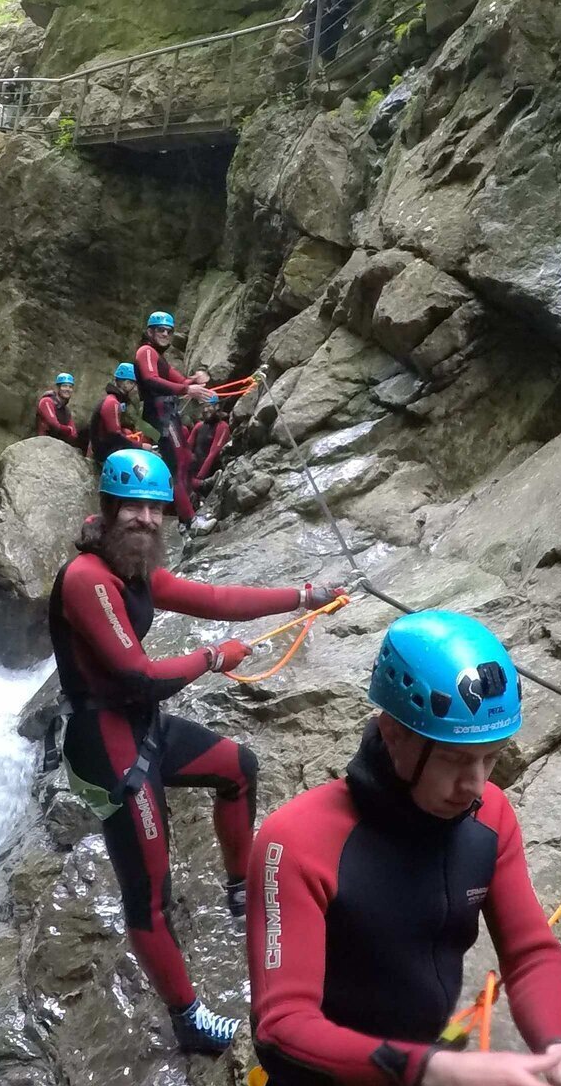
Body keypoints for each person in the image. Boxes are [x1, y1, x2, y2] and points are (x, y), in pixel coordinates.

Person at [246, 610, 561, 1086]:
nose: (476, 785)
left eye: (492, 757)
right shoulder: (295, 841)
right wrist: (434, 1073)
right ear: (393, 734)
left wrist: (560, 1051)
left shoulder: (489, 821)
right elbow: (281, 1031)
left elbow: (531, 953)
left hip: (436, 1077)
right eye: (457, 759)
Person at [52, 449, 346, 1055]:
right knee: (150, 895)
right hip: (107, 747)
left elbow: (212, 599)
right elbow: (139, 676)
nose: (146, 519)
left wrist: (303, 596)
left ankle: (239, 889)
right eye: (132, 507)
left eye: (155, 509)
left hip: (140, 730)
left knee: (238, 768)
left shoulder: (132, 570)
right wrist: (212, 660)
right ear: (108, 510)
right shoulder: (87, 578)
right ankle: (187, 1018)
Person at [133, 311, 212, 478]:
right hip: (159, 416)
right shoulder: (146, 351)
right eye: (161, 330)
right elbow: (151, 380)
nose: (165, 334)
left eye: (169, 331)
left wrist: (197, 379)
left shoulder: (159, 358)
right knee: (177, 467)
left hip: (165, 415)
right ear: (150, 332)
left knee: (181, 463)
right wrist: (187, 390)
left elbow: (182, 382)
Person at [172, 394, 233, 533]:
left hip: (209, 472)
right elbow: (187, 448)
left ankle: (200, 488)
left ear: (217, 407)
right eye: (203, 407)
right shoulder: (199, 426)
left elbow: (213, 453)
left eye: (208, 406)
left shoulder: (222, 426)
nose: (205, 410)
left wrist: (199, 479)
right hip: (195, 473)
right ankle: (185, 518)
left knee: (186, 484)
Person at [89, 362, 155, 462]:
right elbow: (115, 436)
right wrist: (141, 446)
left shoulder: (116, 401)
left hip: (105, 447)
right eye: (134, 384)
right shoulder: (112, 403)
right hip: (105, 453)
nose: (135, 389)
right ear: (127, 384)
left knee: (129, 432)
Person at [36, 372, 83, 449]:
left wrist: (67, 430)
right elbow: (54, 425)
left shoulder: (66, 410)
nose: (68, 389)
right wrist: (68, 430)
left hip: (57, 446)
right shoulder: (46, 401)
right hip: (43, 444)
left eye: (70, 387)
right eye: (64, 386)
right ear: (58, 388)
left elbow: (74, 435)